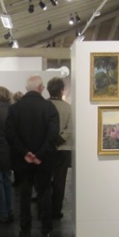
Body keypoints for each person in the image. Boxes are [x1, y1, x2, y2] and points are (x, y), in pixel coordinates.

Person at [6, 75, 59, 237]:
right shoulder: (49, 107)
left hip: (23, 160)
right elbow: (53, 135)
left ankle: (25, 229)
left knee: (24, 193)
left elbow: (10, 134)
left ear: (27, 88)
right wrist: (40, 154)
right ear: (41, 88)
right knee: (45, 191)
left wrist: (25, 153)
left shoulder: (15, 108)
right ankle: (46, 226)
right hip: (44, 159)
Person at [47, 77, 72, 220]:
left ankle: (44, 210)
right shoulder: (68, 107)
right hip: (63, 148)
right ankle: (56, 211)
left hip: (45, 148)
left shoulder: (44, 105)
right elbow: (70, 129)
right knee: (60, 181)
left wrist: (50, 141)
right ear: (62, 90)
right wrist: (59, 140)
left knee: (44, 180)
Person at [0, 85, 14, 223]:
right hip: (9, 150)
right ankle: (9, 210)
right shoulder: (13, 110)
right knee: (7, 181)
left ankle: (0, 212)